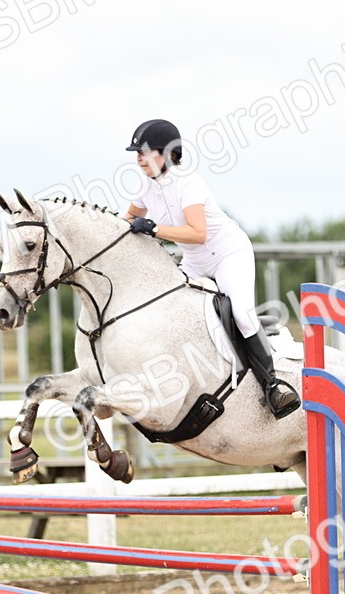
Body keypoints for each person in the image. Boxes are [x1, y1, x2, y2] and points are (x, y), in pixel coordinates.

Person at [122, 118, 300, 419]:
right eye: (136, 152)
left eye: (144, 151)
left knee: (242, 314)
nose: (138, 157)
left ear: (166, 154)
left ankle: (273, 385)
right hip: (195, 260)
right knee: (169, 307)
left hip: (228, 254)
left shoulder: (188, 183)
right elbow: (126, 220)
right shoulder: (146, 187)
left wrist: (152, 228)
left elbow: (197, 233)